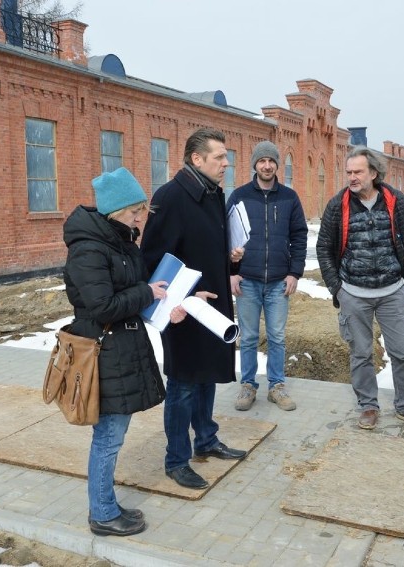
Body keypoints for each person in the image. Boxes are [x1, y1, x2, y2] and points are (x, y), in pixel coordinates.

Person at [62, 168, 185, 537]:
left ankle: (107, 505)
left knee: (113, 434)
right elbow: (102, 306)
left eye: (142, 209)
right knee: (108, 437)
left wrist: (167, 306)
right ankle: (101, 513)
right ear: (114, 209)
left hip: (123, 347)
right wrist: (148, 294)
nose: (139, 216)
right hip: (103, 350)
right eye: (134, 209)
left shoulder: (120, 241)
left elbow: (135, 292)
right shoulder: (88, 248)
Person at [140, 127, 248, 490]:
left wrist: (231, 258)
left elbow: (203, 247)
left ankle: (206, 438)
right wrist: (183, 298)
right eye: (219, 157)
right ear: (196, 159)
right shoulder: (171, 197)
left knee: (208, 375)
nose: (226, 163)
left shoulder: (213, 194)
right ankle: (177, 460)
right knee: (184, 383)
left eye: (225, 157)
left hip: (213, 305)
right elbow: (155, 261)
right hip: (184, 310)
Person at [316, 146, 404, 432]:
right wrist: (337, 288)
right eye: (349, 172)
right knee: (361, 354)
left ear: (373, 173)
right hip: (353, 294)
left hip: (393, 292)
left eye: (358, 172)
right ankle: (368, 405)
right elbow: (323, 248)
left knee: (403, 352)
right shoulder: (337, 205)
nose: (352, 177)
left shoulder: (394, 200)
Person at [227, 141, 308, 412]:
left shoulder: (289, 197)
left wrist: (294, 272)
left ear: (277, 164)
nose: (267, 165)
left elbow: (299, 236)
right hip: (246, 280)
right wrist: (232, 272)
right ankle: (248, 385)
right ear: (255, 164)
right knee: (248, 337)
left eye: (271, 161)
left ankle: (277, 386)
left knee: (277, 336)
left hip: (277, 281)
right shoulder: (239, 196)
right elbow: (227, 236)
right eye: (262, 161)